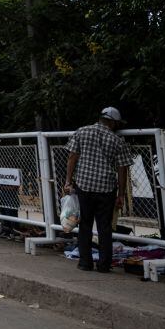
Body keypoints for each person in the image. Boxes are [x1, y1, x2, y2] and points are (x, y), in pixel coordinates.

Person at [63, 107, 133, 273]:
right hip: (106, 188)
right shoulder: (117, 140)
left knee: (85, 224)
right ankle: (104, 264)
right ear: (113, 122)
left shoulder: (82, 132)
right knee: (104, 227)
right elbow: (123, 169)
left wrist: (68, 181)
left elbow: (72, 157)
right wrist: (121, 194)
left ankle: (85, 262)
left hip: (84, 185)